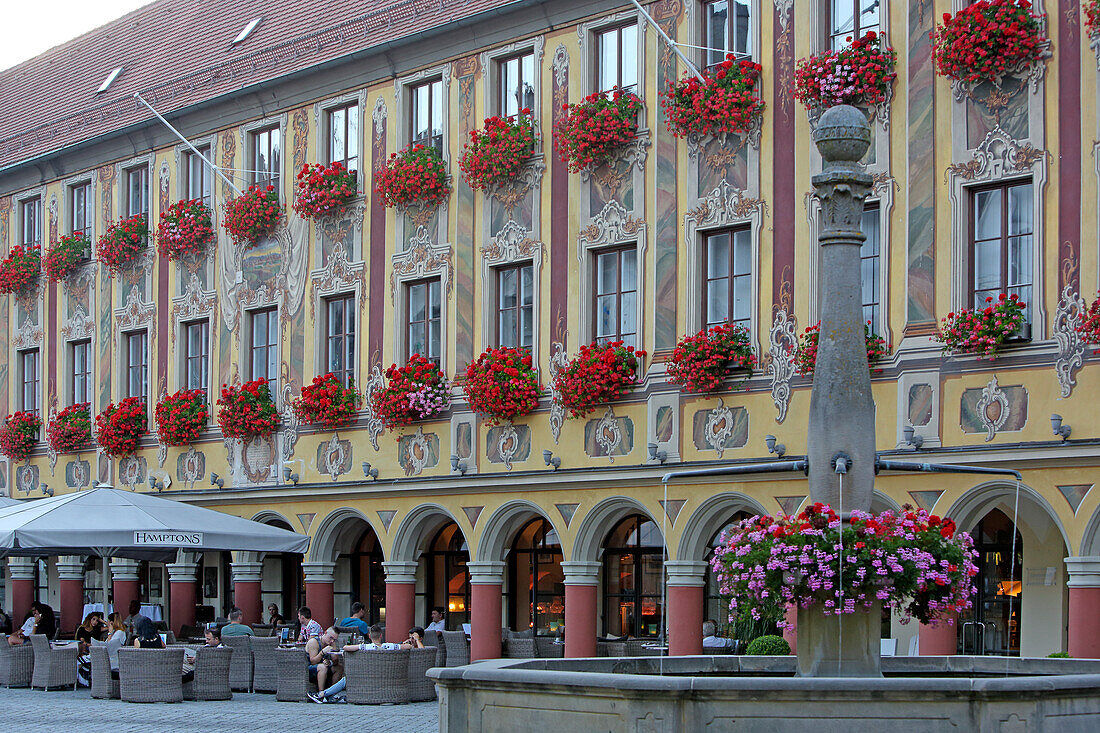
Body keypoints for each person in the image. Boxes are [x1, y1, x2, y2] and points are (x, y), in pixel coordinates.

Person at [308, 624, 412, 704]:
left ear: (370, 636)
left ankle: (322, 694)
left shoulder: (365, 647)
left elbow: (345, 648)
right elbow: (408, 647)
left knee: (347, 679)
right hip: (386, 678)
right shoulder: (389, 646)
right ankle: (324, 694)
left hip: (366, 679)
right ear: (381, 636)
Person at [133, 616, 195, 682]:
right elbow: (164, 647)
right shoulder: (158, 638)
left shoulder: (138, 641)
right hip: (160, 669)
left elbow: (137, 657)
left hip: (145, 670)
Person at [305, 627, 342, 693]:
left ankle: (331, 692)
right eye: (331, 638)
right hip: (308, 670)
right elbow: (313, 661)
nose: (332, 641)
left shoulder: (331, 643)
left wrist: (330, 661)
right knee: (323, 667)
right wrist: (322, 652)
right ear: (325, 633)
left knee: (339, 668)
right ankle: (321, 693)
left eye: (334, 639)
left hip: (322, 667)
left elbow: (335, 662)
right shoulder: (314, 642)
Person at [104, 612, 128, 680]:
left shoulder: (119, 633)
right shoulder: (115, 632)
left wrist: (109, 633)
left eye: (108, 622)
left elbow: (109, 646)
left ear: (111, 622)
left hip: (113, 658)